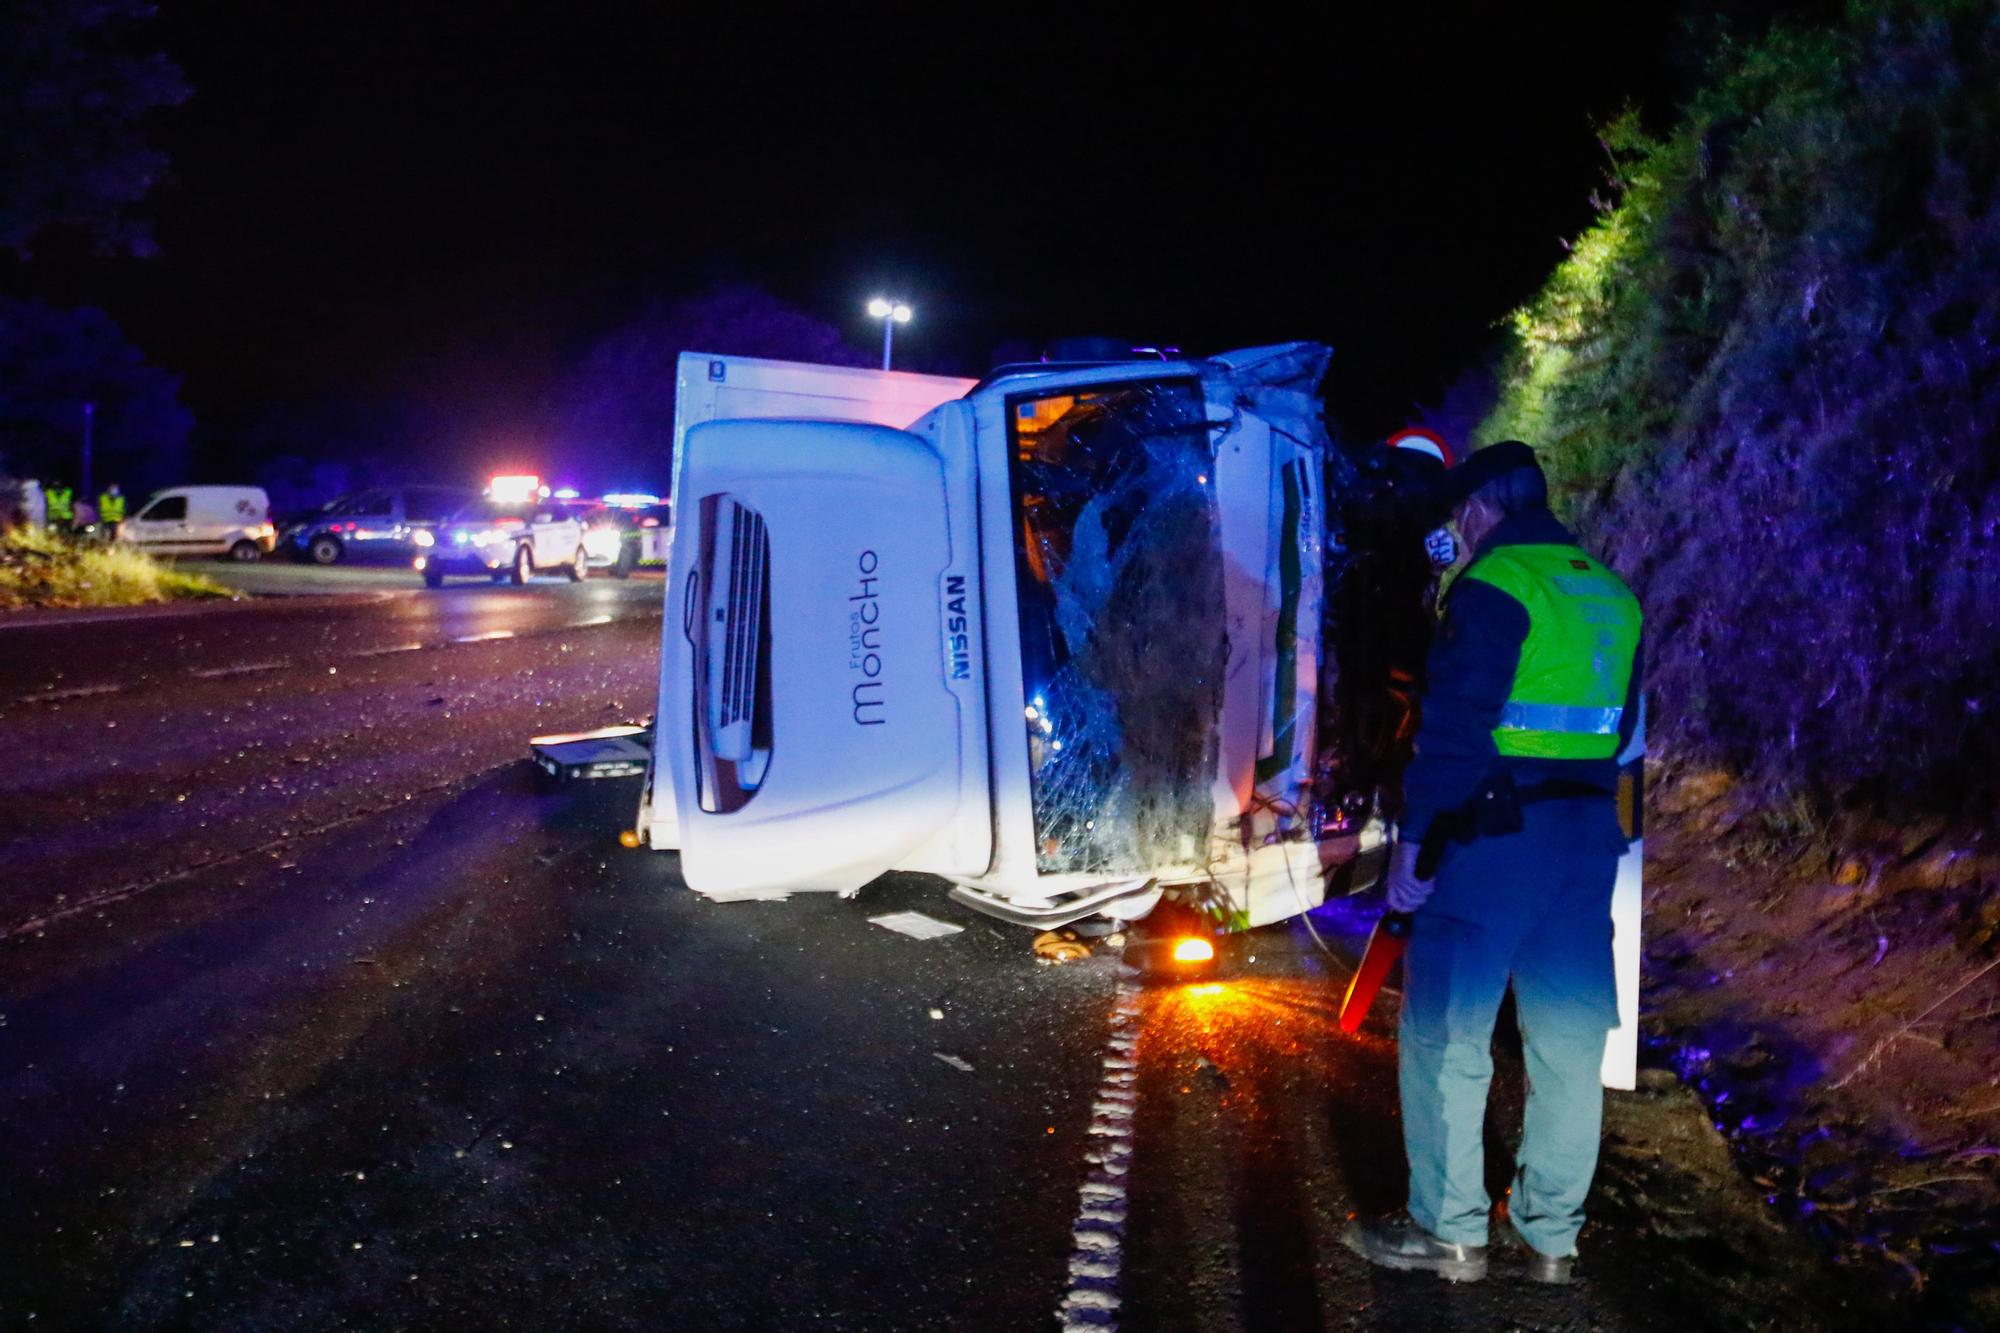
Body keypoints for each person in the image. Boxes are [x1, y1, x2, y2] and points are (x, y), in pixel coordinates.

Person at [1343, 440, 1642, 1285]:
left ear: (1479, 510)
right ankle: (1551, 1235)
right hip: (1586, 843)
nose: (1456, 534)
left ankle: (1452, 1231)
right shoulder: (1614, 592)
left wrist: (1412, 850)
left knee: (1447, 1032)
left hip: (1492, 836)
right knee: (1568, 1044)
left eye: (1456, 519)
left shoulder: (1492, 586)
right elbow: (1619, 733)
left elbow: (1452, 731)